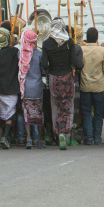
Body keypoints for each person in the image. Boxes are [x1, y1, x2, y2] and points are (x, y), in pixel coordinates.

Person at [41, 18, 79, 150]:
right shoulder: (69, 42)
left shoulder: (46, 43)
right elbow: (75, 61)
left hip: (53, 78)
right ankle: (65, 130)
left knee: (55, 105)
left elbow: (44, 64)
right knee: (67, 105)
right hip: (67, 77)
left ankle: (57, 133)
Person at [80, 27, 104, 145]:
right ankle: (97, 137)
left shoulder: (81, 49)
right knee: (98, 112)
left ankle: (89, 137)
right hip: (99, 85)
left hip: (85, 85)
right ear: (97, 37)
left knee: (86, 112)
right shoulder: (102, 50)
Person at [18, 29, 45, 149]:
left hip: (25, 88)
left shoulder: (20, 54)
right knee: (39, 114)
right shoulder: (39, 54)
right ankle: (39, 139)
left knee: (26, 114)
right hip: (38, 87)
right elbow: (43, 71)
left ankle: (28, 138)